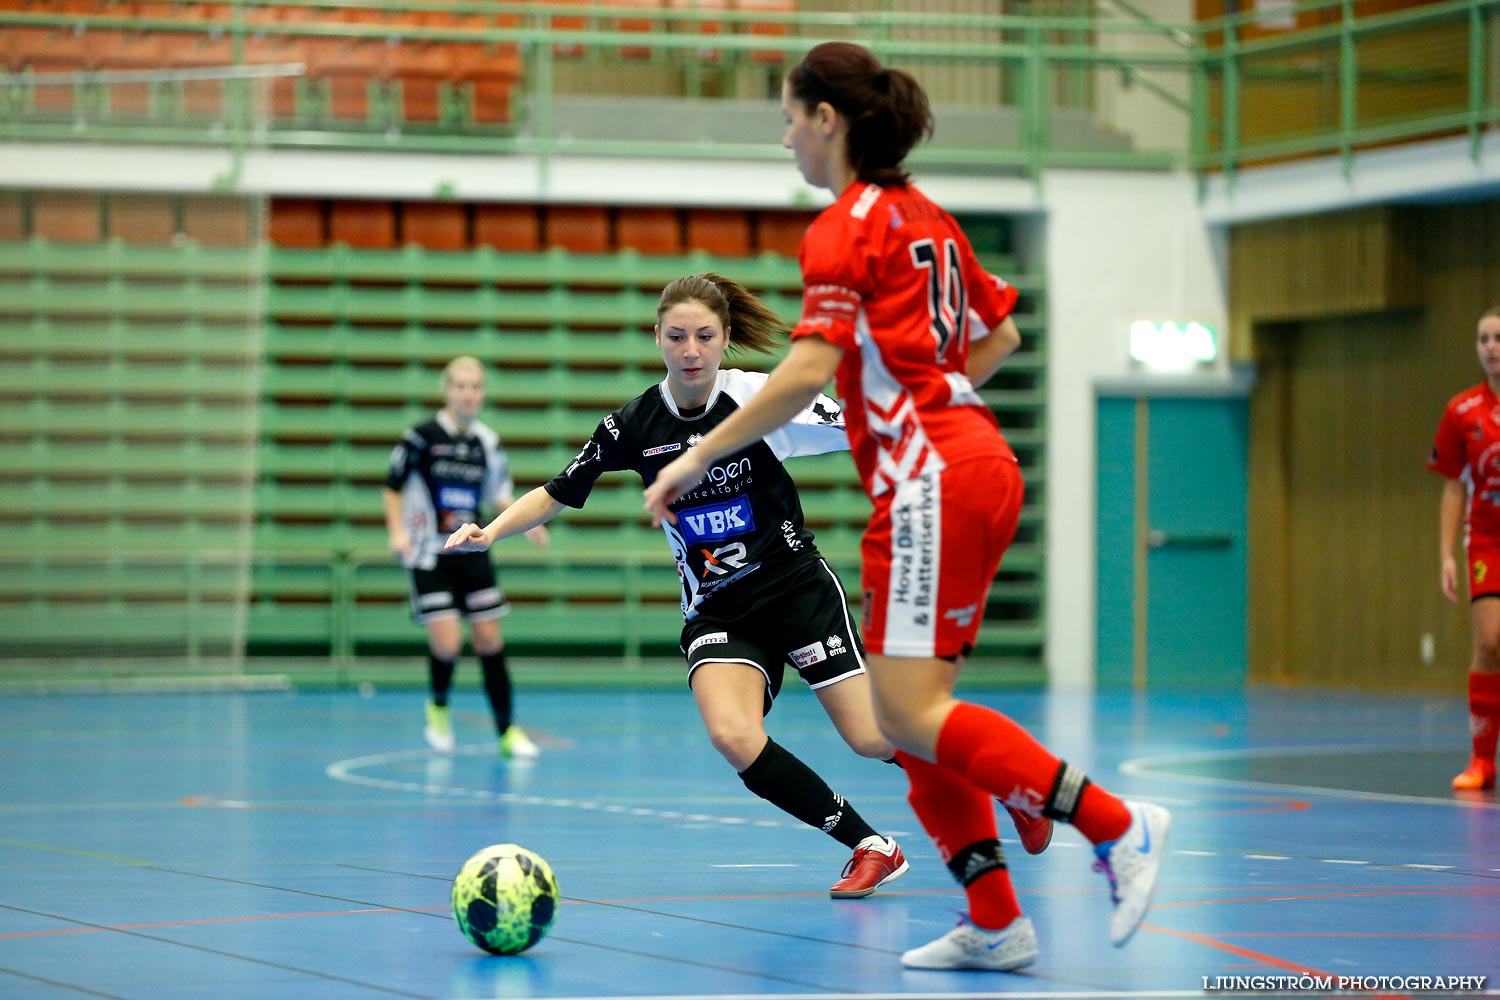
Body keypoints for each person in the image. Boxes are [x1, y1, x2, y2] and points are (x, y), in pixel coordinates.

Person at [643, 42, 1171, 972]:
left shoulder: (844, 225)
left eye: (787, 118)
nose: (785, 137)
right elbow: (1000, 330)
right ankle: (997, 919)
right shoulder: (929, 215)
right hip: (971, 463)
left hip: (931, 480)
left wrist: (696, 457)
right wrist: (930, 403)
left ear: (825, 120)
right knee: (903, 712)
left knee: (913, 718)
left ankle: (1113, 823)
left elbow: (806, 368)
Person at [445, 273, 922, 898]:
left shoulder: (767, 400)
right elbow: (559, 490)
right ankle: (870, 845)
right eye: (677, 336)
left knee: (869, 738)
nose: (690, 350)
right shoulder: (634, 425)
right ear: (657, 338)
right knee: (732, 734)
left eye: (704, 336)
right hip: (718, 608)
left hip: (795, 590)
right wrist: (491, 531)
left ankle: (992, 780)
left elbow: (865, 423)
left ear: (725, 340)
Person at [382, 356, 549, 759]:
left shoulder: (486, 443)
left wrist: (528, 521)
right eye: (460, 386)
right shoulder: (420, 438)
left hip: (471, 547)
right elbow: (392, 486)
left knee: (490, 639)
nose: (468, 393)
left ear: (482, 393)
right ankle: (438, 705)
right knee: (448, 642)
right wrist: (397, 531)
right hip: (430, 553)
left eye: (475, 386)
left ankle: (507, 731)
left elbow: (498, 495)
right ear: (447, 390)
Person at [1429, 305, 1500, 792]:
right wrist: (1447, 554)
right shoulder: (1462, 411)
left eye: (1498, 338)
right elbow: (1455, 486)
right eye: (1483, 339)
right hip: (1487, 540)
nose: (1491, 348)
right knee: (1490, 642)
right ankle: (1482, 759)